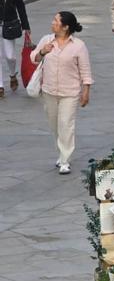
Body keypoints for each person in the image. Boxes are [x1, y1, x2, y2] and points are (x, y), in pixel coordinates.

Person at [31, 11, 92, 175]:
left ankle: (65, 160)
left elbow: (85, 71)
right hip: (49, 91)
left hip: (70, 92)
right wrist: (43, 51)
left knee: (66, 124)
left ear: (65, 27)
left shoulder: (78, 45)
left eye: (56, 21)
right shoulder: (47, 40)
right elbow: (33, 58)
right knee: (54, 125)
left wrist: (86, 91)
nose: (53, 23)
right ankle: (61, 152)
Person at [0, 0, 32, 97]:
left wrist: (26, 25)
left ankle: (13, 74)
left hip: (9, 23)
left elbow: (20, 4)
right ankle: (0, 86)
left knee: (10, 56)